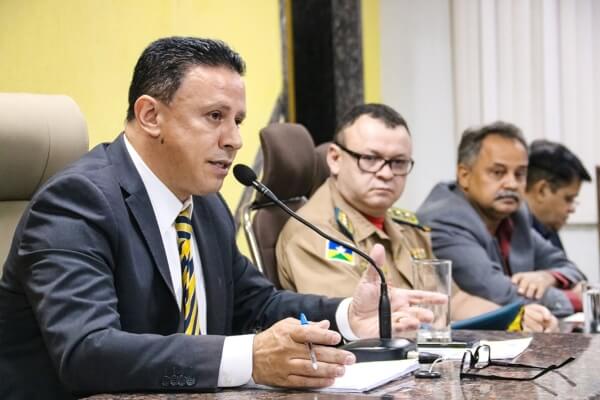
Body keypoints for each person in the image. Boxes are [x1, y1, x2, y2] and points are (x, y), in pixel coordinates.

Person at [0, 37, 444, 399]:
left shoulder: (205, 206)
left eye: (238, 120)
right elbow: (87, 351)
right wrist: (250, 358)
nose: (234, 140)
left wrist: (348, 316)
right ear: (150, 115)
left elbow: (257, 306)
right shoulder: (77, 201)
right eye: (215, 117)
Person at [276, 104, 557, 331]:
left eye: (398, 162)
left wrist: (517, 319)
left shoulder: (405, 226)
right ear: (335, 159)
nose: (386, 173)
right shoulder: (314, 233)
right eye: (370, 159)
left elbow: (452, 301)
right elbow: (364, 326)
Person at [417, 121, 586, 317]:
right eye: (498, 173)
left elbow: (569, 267)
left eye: (520, 174)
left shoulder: (515, 215)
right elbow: (500, 295)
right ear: (464, 176)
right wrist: (576, 299)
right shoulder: (443, 221)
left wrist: (547, 276)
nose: (512, 184)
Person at [525, 139, 591, 251]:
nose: (572, 209)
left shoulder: (548, 229)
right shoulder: (509, 238)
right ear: (542, 190)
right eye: (568, 199)